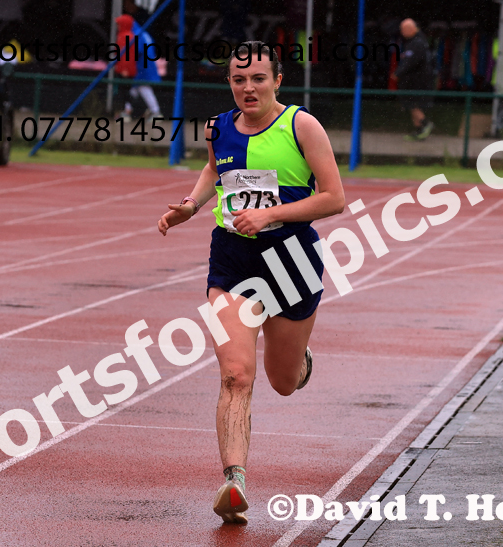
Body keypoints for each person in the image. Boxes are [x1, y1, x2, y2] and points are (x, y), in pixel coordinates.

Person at [157, 41, 345, 524]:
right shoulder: (217, 127)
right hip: (233, 260)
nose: (248, 88)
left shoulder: (301, 125)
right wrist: (190, 205)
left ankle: (299, 361)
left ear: (277, 80)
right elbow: (214, 167)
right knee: (236, 374)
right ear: (229, 84)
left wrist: (270, 215)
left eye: (258, 78)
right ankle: (234, 481)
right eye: (239, 80)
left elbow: (333, 198)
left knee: (282, 382)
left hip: (292, 260)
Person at [392, 18, 434, 140]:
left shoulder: (417, 43)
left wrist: (397, 73)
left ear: (411, 29)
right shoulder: (414, 41)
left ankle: (425, 124)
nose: (401, 32)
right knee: (411, 104)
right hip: (414, 80)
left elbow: (410, 62)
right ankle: (419, 131)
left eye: (403, 29)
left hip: (416, 81)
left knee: (412, 103)